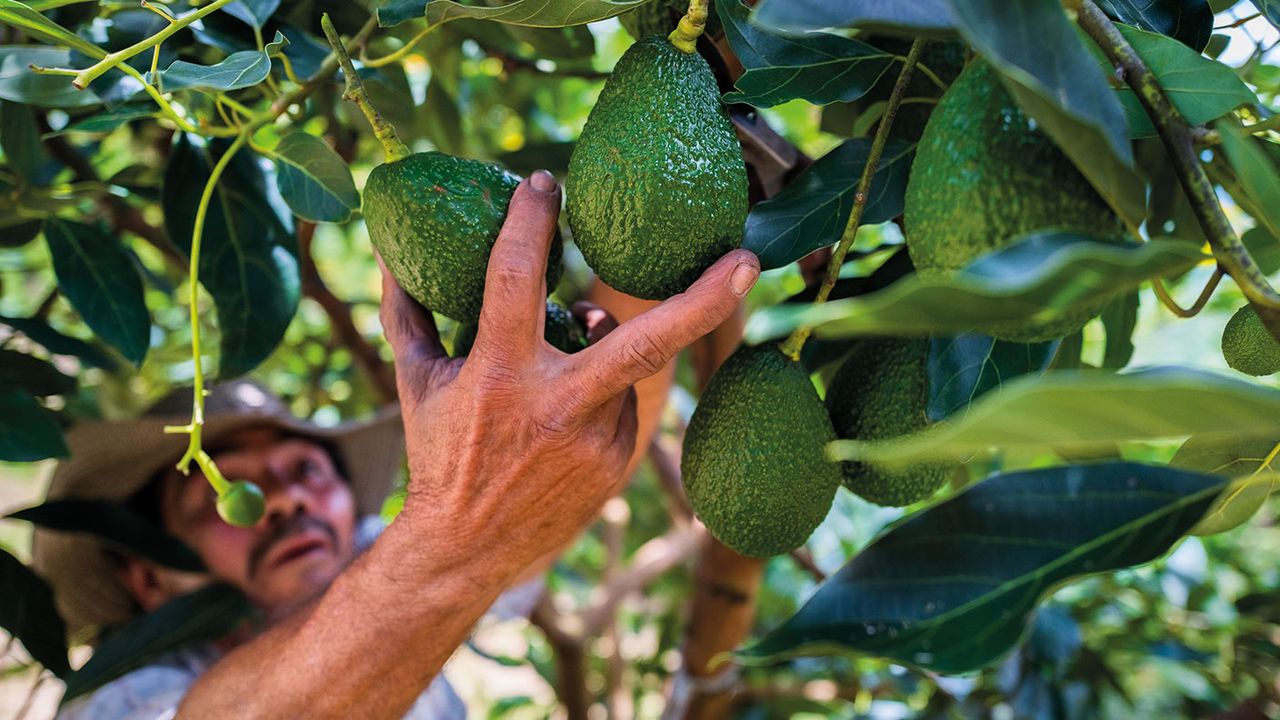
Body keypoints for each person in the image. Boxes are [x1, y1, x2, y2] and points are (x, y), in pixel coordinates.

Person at [31, 171, 760, 718]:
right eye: (223, 492)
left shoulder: (381, 559)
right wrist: (458, 529)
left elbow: (571, 462)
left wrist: (664, 206)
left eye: (304, 469)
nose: (285, 498)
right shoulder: (117, 694)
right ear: (147, 577)